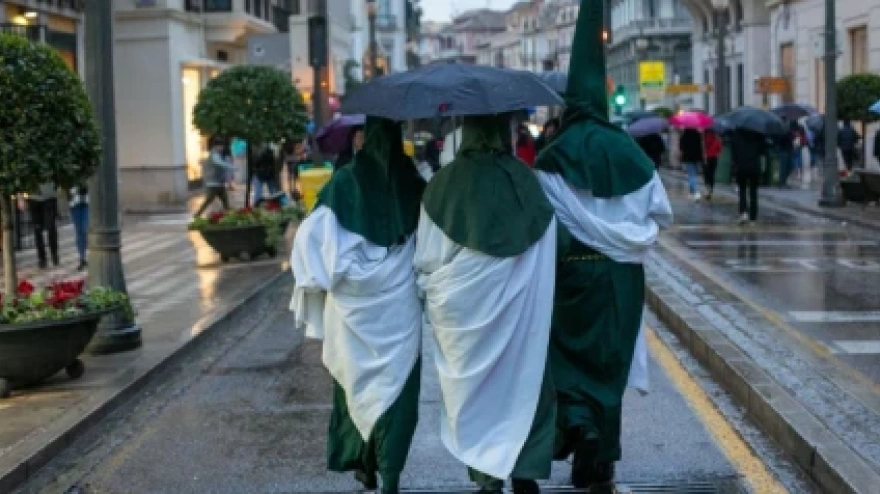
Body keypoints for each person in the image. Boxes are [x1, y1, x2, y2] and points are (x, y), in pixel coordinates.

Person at [534, 2, 673, 492]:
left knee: (568, 360)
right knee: (609, 367)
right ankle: (601, 463)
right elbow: (661, 213)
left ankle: (579, 426)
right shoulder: (629, 152)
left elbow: (540, 219)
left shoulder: (552, 157)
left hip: (569, 276)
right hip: (620, 279)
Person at [414, 114, 559, 494]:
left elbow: (428, 254)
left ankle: (487, 477)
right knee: (525, 381)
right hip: (520, 305)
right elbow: (546, 239)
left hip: (462, 309)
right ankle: (525, 471)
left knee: (475, 392)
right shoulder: (525, 179)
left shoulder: (443, 184)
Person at [290, 117, 425, 494]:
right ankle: (391, 473)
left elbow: (312, 240)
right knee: (399, 392)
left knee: (354, 386)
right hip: (400, 308)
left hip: (351, 311)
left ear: (366, 137)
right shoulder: (412, 183)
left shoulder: (344, 182)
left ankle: (363, 461)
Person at [731, 129, 768, 225]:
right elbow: (763, 151)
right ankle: (753, 218)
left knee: (742, 191)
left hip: (741, 166)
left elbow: (734, 151)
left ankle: (743, 212)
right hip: (754, 167)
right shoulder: (759, 134)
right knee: (753, 193)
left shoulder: (737, 133)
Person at [194, 136, 234, 218]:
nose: (222, 148)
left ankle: (230, 215)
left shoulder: (217, 154)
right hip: (213, 184)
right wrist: (230, 166)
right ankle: (197, 215)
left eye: (222, 146)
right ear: (215, 146)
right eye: (221, 146)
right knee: (209, 200)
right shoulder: (214, 154)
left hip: (218, 183)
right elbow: (219, 163)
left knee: (225, 201)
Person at [28, 182, 59, 269]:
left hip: (49, 196)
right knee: (37, 230)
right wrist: (20, 197)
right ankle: (42, 258)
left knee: (51, 227)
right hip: (33, 197)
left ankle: (54, 254)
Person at [679, 128, 704, 200]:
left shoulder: (684, 135)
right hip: (697, 157)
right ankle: (692, 191)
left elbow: (681, 147)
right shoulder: (698, 135)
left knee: (691, 175)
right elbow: (701, 146)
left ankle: (695, 192)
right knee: (694, 174)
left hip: (688, 157)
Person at [69, 184, 89, 271]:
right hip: (74, 203)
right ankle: (82, 258)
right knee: (79, 232)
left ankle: (90, 256)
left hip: (88, 202)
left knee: (86, 229)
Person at [703, 129, 722, 199]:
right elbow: (719, 149)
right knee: (712, 174)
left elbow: (702, 147)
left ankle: (707, 189)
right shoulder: (717, 139)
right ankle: (711, 189)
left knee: (706, 174)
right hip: (714, 158)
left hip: (706, 158)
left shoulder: (704, 137)